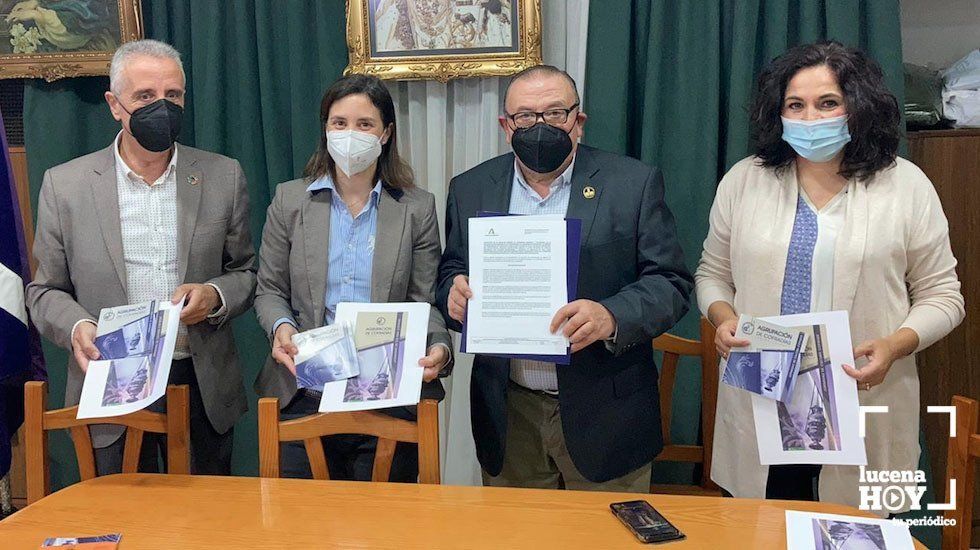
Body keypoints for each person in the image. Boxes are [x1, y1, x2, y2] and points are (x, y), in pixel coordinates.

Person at [696, 41, 964, 508]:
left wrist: (894, 345)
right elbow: (712, 274)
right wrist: (722, 317)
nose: (810, 118)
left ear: (857, 107)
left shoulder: (904, 185)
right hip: (765, 391)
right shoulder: (745, 180)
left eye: (828, 103)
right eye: (794, 105)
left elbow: (944, 295)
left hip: (861, 391)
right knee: (764, 525)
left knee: (854, 527)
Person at [436, 65, 693, 491]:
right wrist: (453, 294)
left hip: (605, 414)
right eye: (525, 116)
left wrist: (611, 315)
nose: (540, 126)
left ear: (579, 121)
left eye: (555, 113)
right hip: (509, 414)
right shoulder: (471, 187)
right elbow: (451, 269)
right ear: (506, 125)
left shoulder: (632, 183)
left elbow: (671, 283)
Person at [26, 39, 257, 475]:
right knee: (122, 525)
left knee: (204, 530)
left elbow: (245, 272)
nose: (162, 107)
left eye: (173, 96)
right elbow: (44, 290)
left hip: (200, 385)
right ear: (115, 104)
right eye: (145, 97)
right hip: (112, 380)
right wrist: (78, 326)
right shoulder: (66, 185)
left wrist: (214, 295)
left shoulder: (223, 175)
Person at [254, 74, 453, 481]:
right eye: (339, 123)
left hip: (385, 394)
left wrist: (439, 349)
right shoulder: (290, 200)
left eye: (365, 124)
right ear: (325, 129)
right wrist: (282, 327)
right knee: (298, 532)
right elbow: (269, 289)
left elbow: (423, 302)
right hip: (304, 390)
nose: (350, 134)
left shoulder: (417, 207)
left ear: (386, 133)